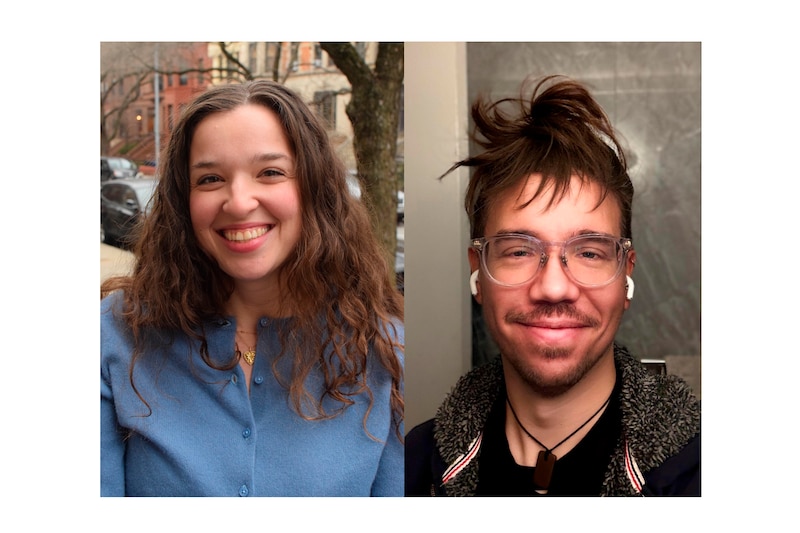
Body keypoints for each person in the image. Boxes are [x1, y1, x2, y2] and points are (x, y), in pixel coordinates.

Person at [101, 80, 404, 497]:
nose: (239, 202)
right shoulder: (115, 337)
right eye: (210, 179)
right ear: (181, 200)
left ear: (315, 187)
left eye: (270, 173)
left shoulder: (388, 353)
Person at [405, 75, 700, 496]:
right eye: (519, 251)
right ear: (478, 275)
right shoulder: (415, 465)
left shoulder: (700, 469)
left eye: (590, 252)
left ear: (626, 274)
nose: (554, 288)